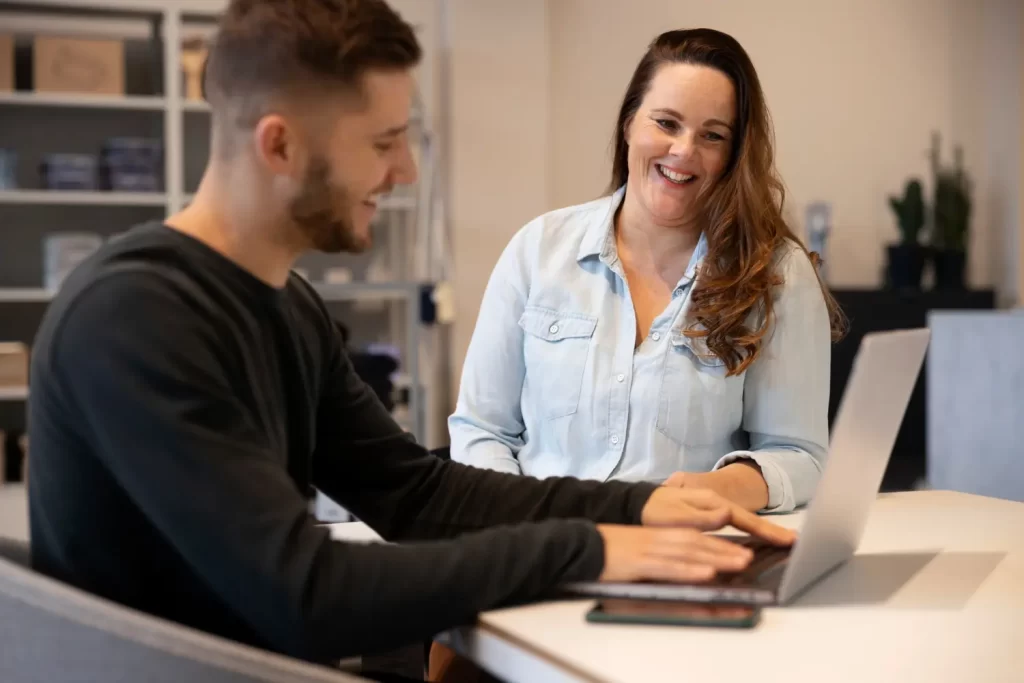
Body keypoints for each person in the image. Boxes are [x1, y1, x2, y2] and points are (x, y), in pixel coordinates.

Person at [26, 3, 795, 682]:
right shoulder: (135, 318)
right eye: (385, 140)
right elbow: (306, 593)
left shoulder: (286, 306)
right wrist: (586, 549)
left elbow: (420, 496)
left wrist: (643, 505)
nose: (405, 169)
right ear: (280, 145)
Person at [449, 28, 846, 514]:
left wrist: (719, 491)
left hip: (691, 553)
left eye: (713, 135)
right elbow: (481, 431)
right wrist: (524, 528)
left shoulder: (776, 274)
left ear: (734, 154)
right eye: (667, 123)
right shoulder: (537, 250)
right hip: (544, 550)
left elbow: (799, 455)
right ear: (629, 124)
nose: (683, 151)